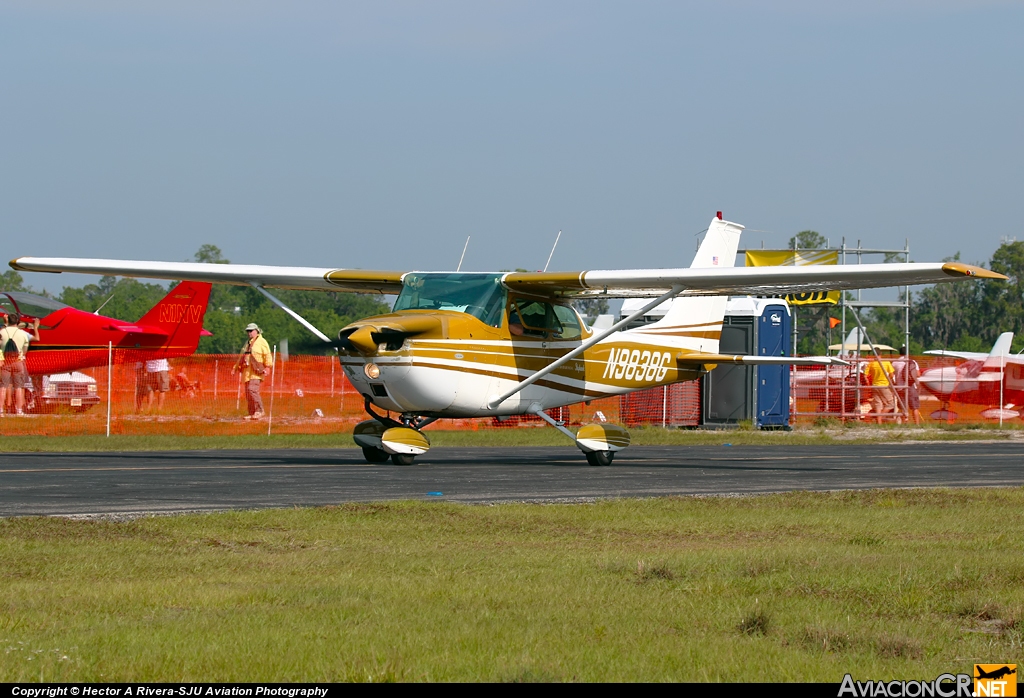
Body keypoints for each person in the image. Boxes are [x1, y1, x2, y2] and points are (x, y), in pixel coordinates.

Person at [0, 313, 40, 415]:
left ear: (8, 320)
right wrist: (35, 327)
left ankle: (0, 410)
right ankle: (19, 410)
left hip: (5, 362)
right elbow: (35, 340)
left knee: (3, 387)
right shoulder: (23, 334)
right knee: (19, 387)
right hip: (18, 362)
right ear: (18, 322)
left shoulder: (2, 332)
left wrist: (5, 323)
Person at [233, 322, 272, 420]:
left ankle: (259, 411)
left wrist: (268, 367)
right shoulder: (247, 343)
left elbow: (267, 355)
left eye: (251, 331)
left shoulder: (262, 342)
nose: (249, 333)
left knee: (252, 390)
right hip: (247, 372)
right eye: (248, 331)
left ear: (256, 331)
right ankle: (252, 413)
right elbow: (241, 356)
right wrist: (235, 367)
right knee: (248, 393)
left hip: (256, 372)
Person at [892, 345, 922, 426]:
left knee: (903, 408)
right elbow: (918, 374)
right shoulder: (912, 361)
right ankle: (917, 425)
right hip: (910, 386)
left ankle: (905, 424)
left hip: (900, 388)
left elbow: (891, 375)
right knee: (914, 407)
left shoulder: (894, 363)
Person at [864, 353, 896, 424]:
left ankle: (879, 422)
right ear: (880, 354)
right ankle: (880, 417)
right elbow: (892, 374)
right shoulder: (886, 362)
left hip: (874, 386)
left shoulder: (871, 364)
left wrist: (868, 383)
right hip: (884, 386)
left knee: (878, 404)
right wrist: (888, 380)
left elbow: (865, 375)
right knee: (891, 404)